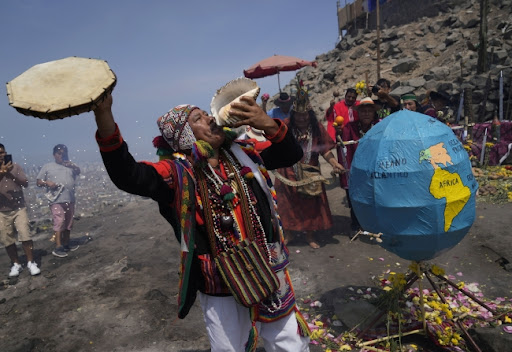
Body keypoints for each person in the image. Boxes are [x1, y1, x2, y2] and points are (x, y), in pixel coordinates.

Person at [92, 90, 310, 351]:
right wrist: (103, 114)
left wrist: (266, 123)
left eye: (207, 114)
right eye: (198, 118)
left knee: (289, 344)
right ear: (184, 135)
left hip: (269, 266)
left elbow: (290, 154)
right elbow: (128, 175)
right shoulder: (177, 173)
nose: (210, 118)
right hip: (221, 281)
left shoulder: (245, 154)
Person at [273, 84, 344, 249]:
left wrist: (334, 163)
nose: (302, 119)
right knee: (287, 204)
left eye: (305, 116)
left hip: (310, 170)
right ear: (294, 114)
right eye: (299, 116)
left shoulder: (316, 127)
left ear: (310, 114)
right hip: (287, 171)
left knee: (311, 204)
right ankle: (289, 234)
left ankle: (310, 235)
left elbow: (325, 150)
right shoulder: (285, 125)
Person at [337, 97, 380, 233]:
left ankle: (374, 225)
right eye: (363, 111)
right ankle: (355, 224)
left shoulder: (379, 127)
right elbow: (342, 145)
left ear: (374, 113)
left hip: (375, 169)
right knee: (356, 198)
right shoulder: (350, 127)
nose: (366, 114)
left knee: (375, 198)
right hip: (356, 169)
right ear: (358, 113)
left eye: (369, 111)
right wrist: (338, 132)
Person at [0, 144, 41, 277]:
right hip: (1, 210)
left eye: (2, 152)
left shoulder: (16, 167)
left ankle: (30, 262)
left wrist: (10, 174)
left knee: (25, 234)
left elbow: (25, 183)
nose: (1, 155)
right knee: (7, 238)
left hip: (19, 207)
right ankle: (16, 263)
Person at [36, 144, 80, 258]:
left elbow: (78, 172)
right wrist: (47, 183)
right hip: (56, 199)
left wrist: (72, 166)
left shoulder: (70, 166)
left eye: (64, 153)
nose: (62, 155)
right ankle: (58, 246)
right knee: (59, 221)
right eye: (59, 153)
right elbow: (38, 181)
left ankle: (66, 243)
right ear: (54, 155)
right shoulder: (48, 167)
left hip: (70, 198)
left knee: (69, 222)